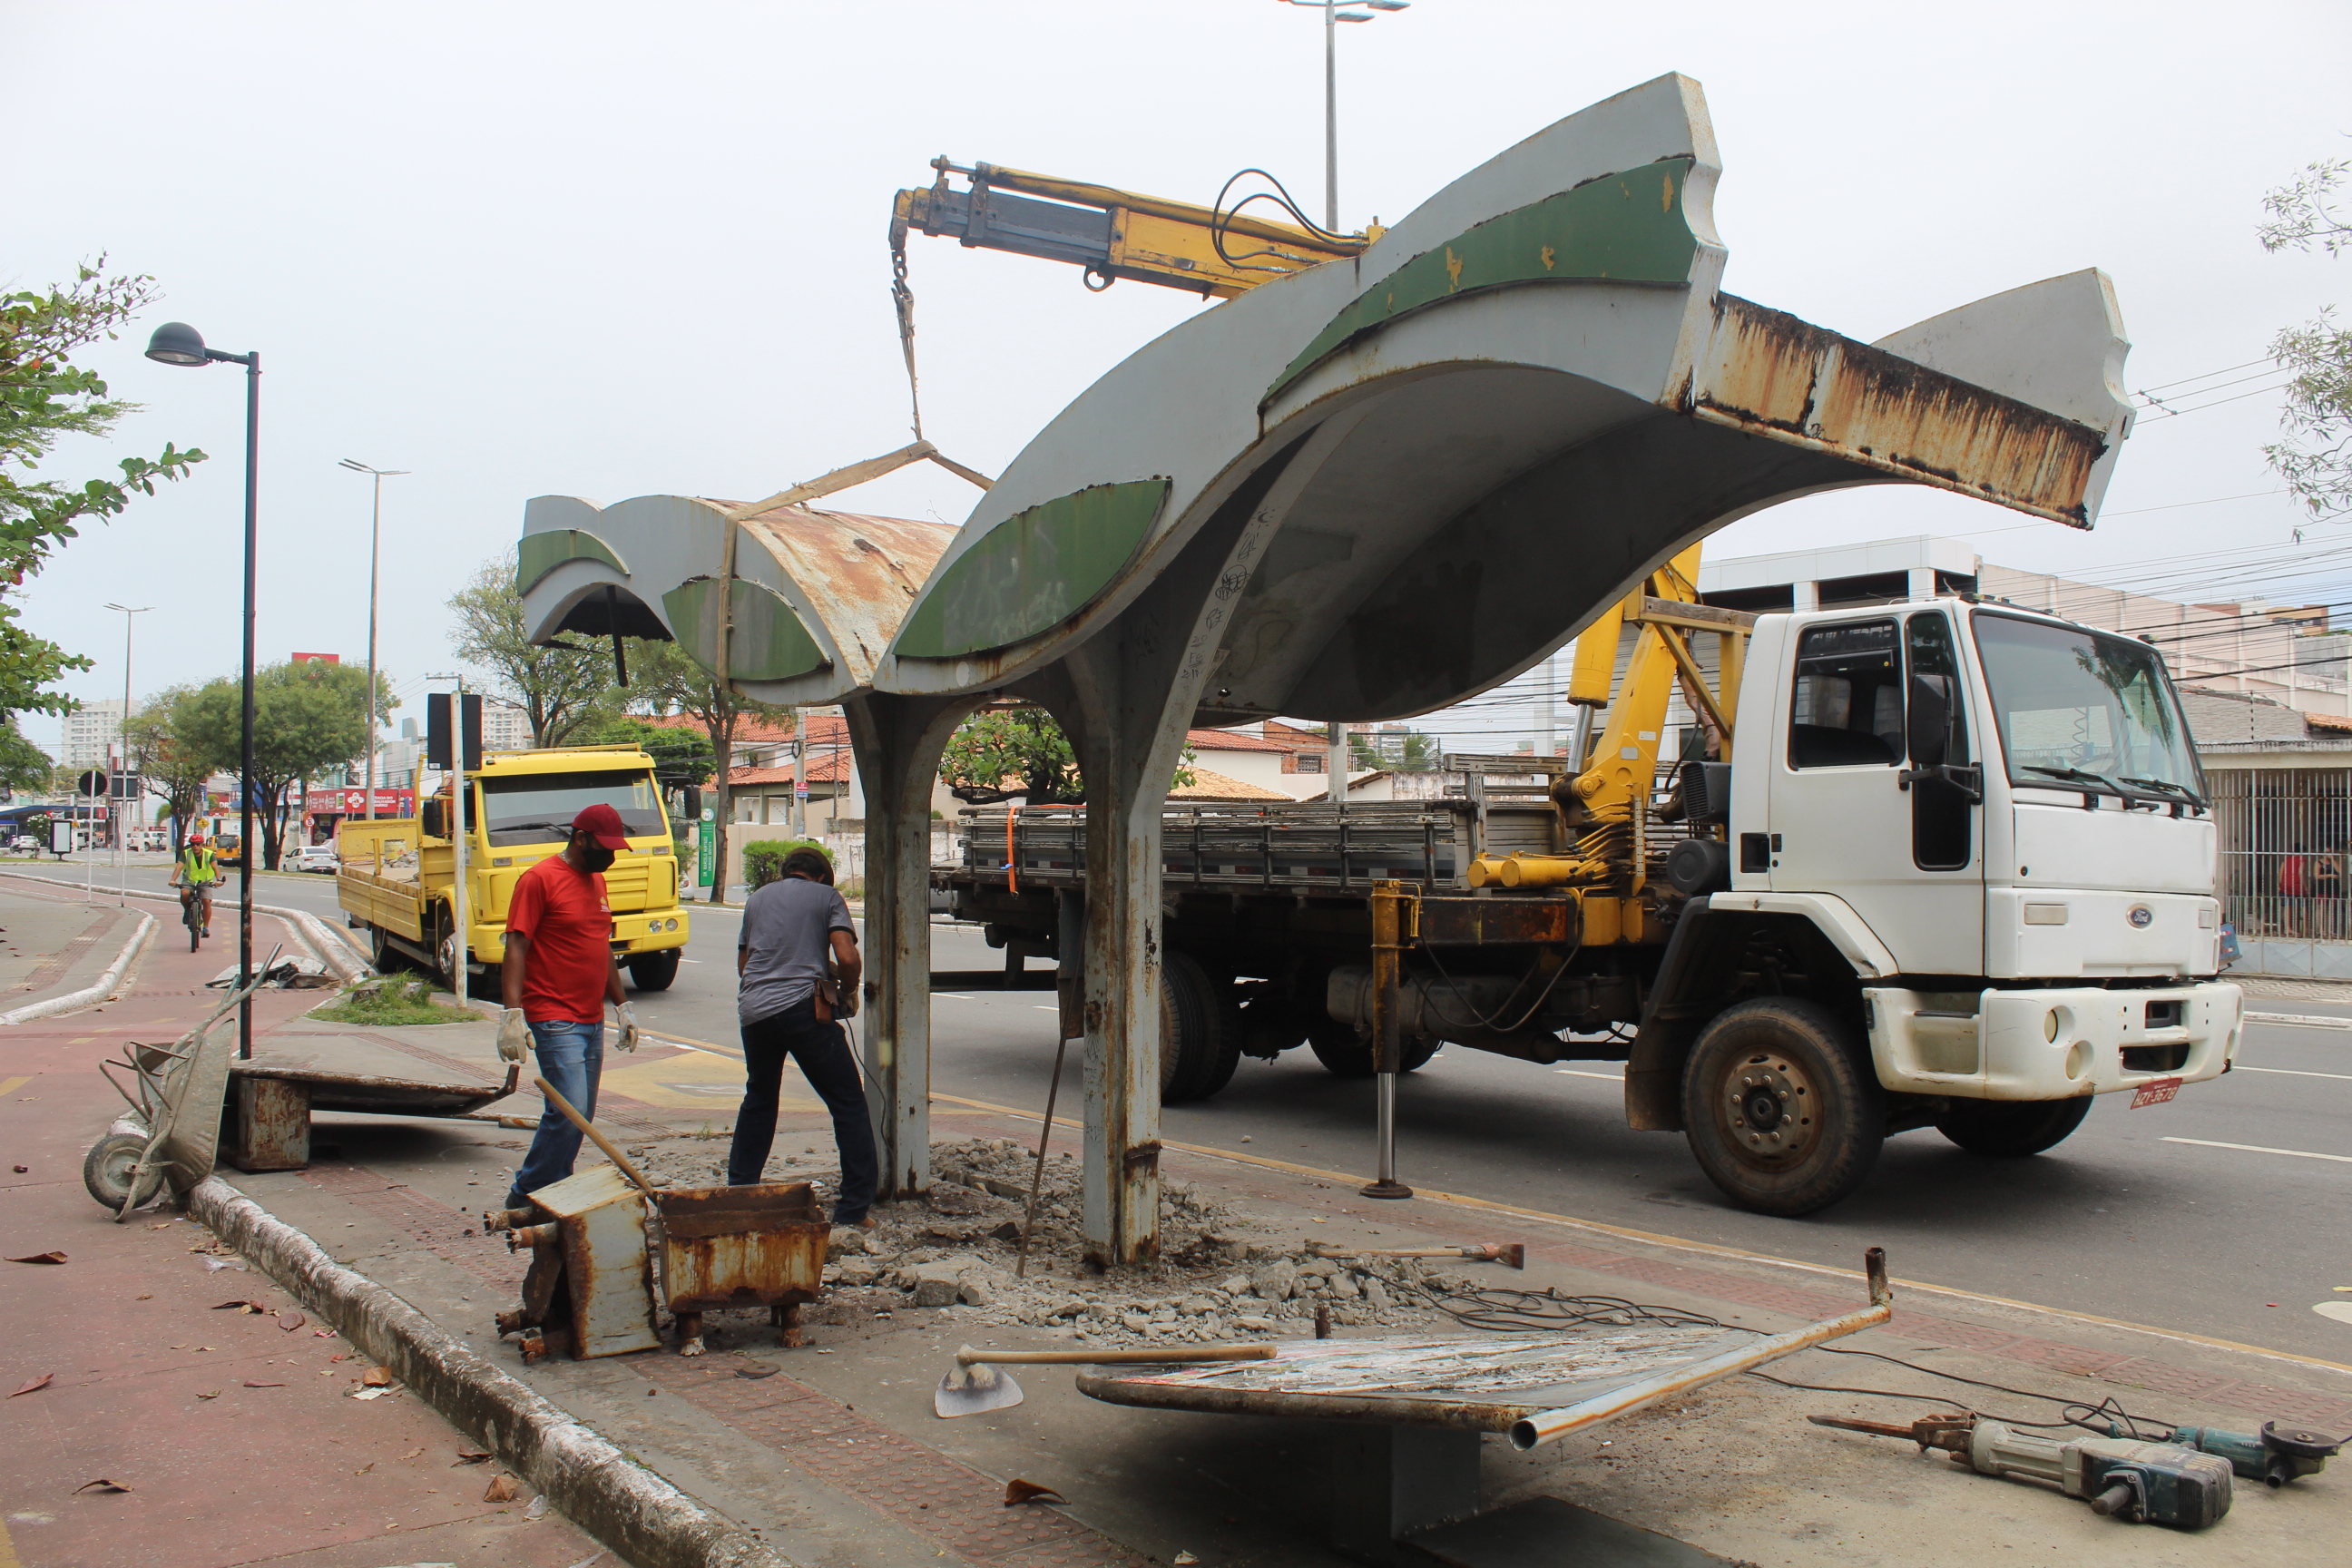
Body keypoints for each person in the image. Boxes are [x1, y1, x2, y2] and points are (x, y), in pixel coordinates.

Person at [497, 803, 642, 1209]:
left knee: (581, 1116)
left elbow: (601, 947)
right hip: (553, 1015)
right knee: (570, 1112)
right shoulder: (539, 879)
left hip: (591, 1018)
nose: (610, 857)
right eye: (605, 848)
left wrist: (622, 1005)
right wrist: (512, 1014)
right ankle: (526, 1193)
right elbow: (516, 946)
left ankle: (553, 1192)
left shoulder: (596, 882)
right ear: (580, 839)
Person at [728, 847, 877, 1229]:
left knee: (759, 1100)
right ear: (823, 877)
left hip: (755, 1011)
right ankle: (853, 1209)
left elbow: (746, 965)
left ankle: (740, 1194)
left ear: (786, 872)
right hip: (801, 1009)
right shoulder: (827, 896)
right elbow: (846, 956)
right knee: (847, 1103)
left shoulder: (757, 898)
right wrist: (848, 987)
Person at [169, 833, 219, 937]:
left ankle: (206, 927)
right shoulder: (186, 853)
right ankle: (187, 911)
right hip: (189, 881)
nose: (195, 846)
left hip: (205, 882)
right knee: (184, 893)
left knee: (206, 901)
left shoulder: (209, 854)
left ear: (202, 845)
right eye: (193, 844)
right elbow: (179, 867)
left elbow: (215, 868)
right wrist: (173, 880)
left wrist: (219, 880)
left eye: (198, 844)